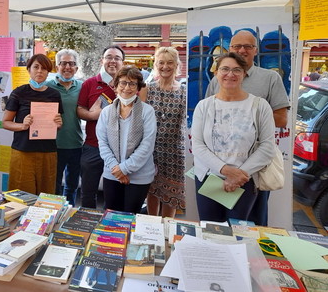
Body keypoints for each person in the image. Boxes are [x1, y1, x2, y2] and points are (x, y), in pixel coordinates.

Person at [205, 29, 289, 226]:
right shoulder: (217, 79)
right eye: (236, 46)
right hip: (220, 166)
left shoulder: (270, 78)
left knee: (250, 225)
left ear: (255, 50)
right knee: (217, 224)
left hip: (253, 167)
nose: (242, 50)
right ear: (230, 49)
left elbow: (282, 119)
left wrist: (243, 123)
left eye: (247, 46)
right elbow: (207, 119)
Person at [193, 53, 276, 222]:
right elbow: (197, 145)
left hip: (245, 181)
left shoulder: (260, 106)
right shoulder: (204, 106)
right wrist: (226, 170)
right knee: (211, 230)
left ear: (244, 74)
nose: (230, 74)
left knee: (239, 233)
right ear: (216, 73)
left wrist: (239, 176)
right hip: (209, 179)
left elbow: (267, 147)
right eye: (225, 69)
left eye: (237, 70)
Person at [97, 66, 156, 213]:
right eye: (123, 83)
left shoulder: (147, 111)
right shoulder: (106, 112)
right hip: (112, 173)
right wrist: (117, 169)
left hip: (139, 176)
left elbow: (147, 145)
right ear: (116, 86)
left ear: (138, 87)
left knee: (132, 217)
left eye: (132, 83)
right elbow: (102, 142)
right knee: (111, 217)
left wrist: (124, 168)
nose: (127, 88)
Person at [2, 53, 63, 195]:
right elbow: (5, 123)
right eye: (36, 67)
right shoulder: (19, 92)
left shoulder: (54, 94)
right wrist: (22, 126)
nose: (40, 71)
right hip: (23, 152)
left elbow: (58, 124)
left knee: (45, 196)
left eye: (44, 68)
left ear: (48, 72)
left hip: (47, 152)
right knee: (22, 197)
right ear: (29, 69)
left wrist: (59, 124)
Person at [140, 47, 186, 218]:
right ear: (156, 65)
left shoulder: (184, 92)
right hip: (150, 150)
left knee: (171, 196)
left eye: (170, 62)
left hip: (175, 152)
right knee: (151, 191)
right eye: (161, 62)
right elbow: (139, 120)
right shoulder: (147, 89)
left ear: (177, 65)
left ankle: (167, 229)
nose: (165, 66)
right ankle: (152, 226)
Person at [77, 45, 125, 208]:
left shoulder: (128, 85)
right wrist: (92, 115)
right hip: (93, 146)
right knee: (88, 193)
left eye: (117, 58)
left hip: (119, 149)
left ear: (122, 62)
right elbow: (79, 110)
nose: (113, 61)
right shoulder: (90, 83)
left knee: (114, 196)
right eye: (109, 57)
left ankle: (109, 230)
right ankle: (86, 225)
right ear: (102, 60)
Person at [45, 49, 84, 206]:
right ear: (57, 66)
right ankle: (53, 215)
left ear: (76, 67)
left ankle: (69, 215)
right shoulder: (47, 87)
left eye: (72, 63)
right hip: (54, 145)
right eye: (64, 63)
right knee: (54, 186)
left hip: (76, 143)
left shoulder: (82, 86)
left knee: (72, 186)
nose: (67, 67)